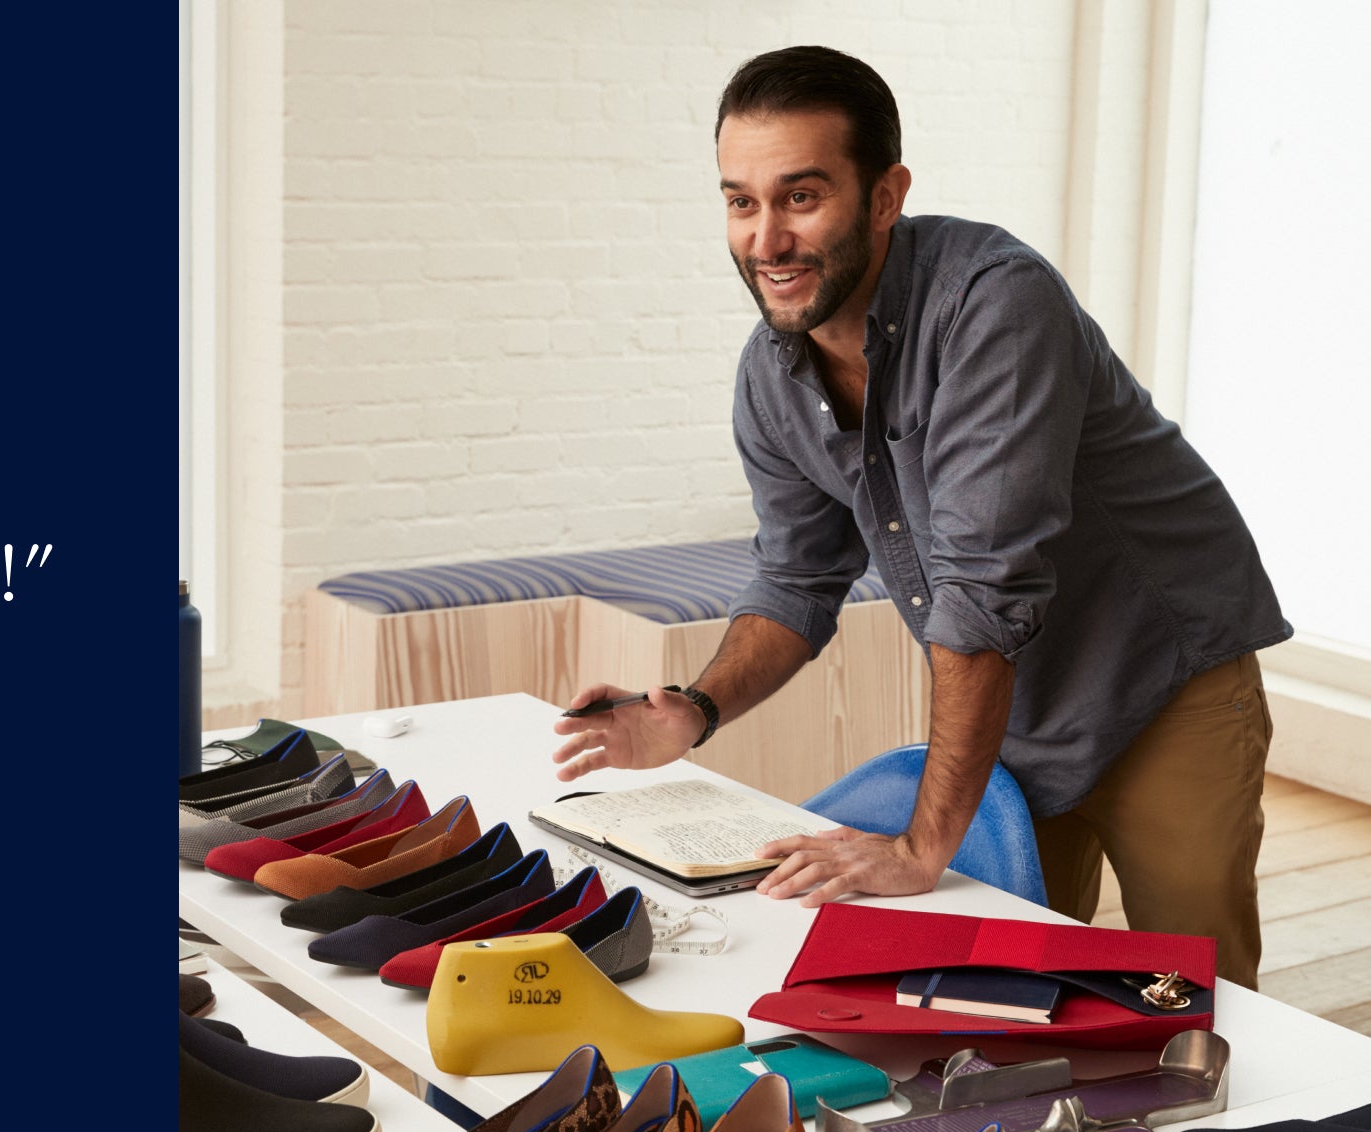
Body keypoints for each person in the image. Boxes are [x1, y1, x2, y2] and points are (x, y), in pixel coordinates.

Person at [549, 45, 1288, 989]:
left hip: (1159, 679)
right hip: (1015, 707)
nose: (766, 239)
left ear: (886, 195)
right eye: (742, 201)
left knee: (1193, 1001)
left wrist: (921, 844)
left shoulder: (994, 305)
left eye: (801, 196)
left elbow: (982, 591)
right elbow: (796, 578)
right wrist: (693, 711)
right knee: (1008, 995)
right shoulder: (771, 374)